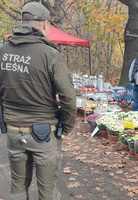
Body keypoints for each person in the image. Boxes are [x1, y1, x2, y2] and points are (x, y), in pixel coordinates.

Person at [0, 2, 77, 200]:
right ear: (45, 25)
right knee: (47, 192)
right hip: (44, 134)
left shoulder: (2, 52)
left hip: (13, 131)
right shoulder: (50, 54)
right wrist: (67, 126)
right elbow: (68, 97)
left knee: (17, 189)